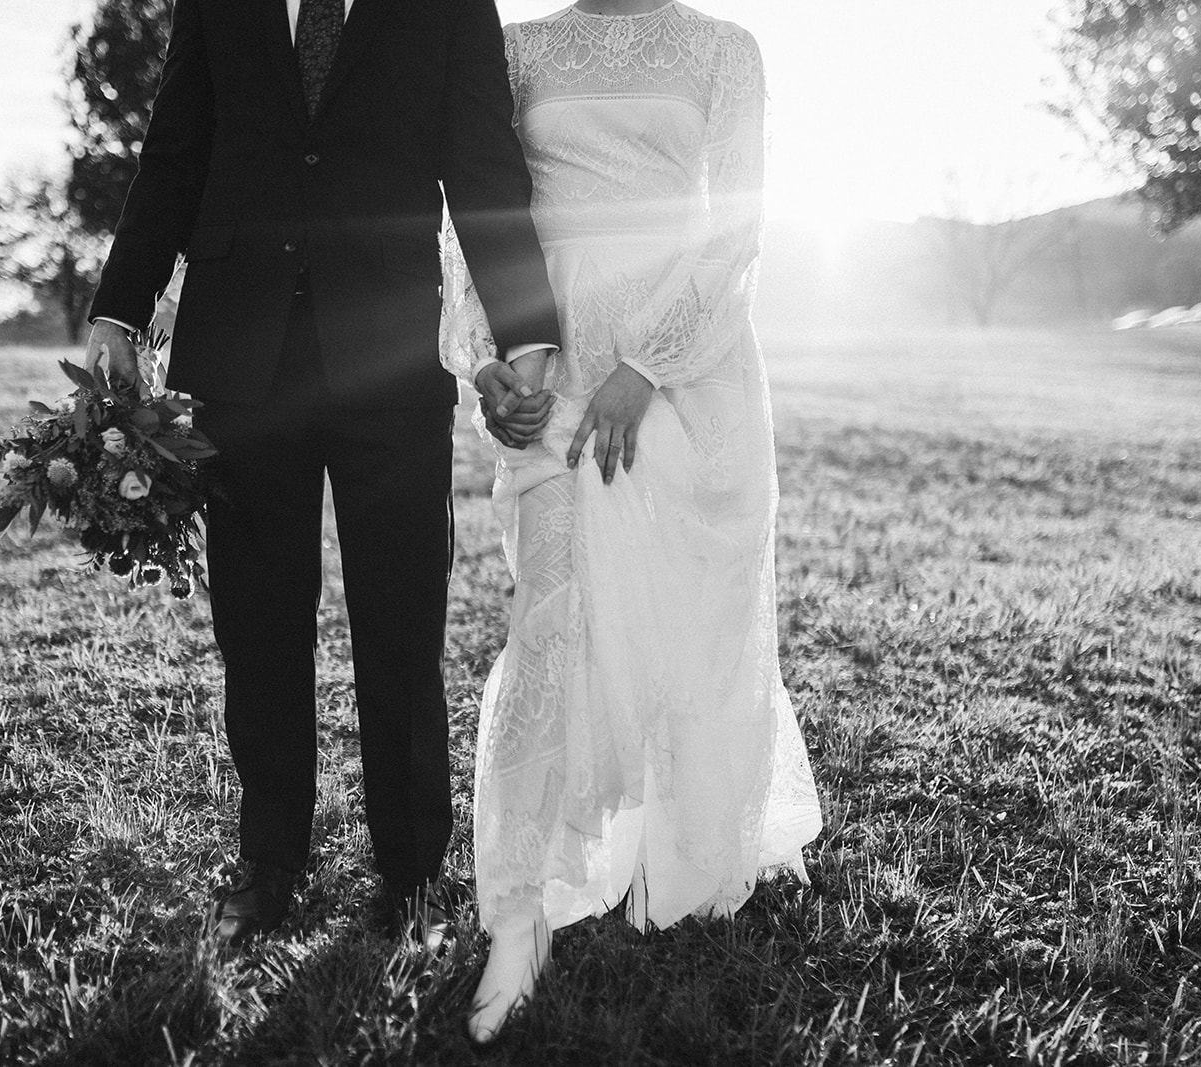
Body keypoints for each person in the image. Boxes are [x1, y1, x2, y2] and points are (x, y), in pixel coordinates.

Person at [83, 0, 563, 951]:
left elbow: (482, 163)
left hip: (389, 348)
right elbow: (175, 148)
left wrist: (526, 329)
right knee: (258, 620)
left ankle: (414, 870)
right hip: (238, 349)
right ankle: (269, 862)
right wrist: (119, 309)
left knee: (401, 612)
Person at [439, 0, 824, 1043]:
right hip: (550, 349)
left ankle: (682, 850)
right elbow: (475, 212)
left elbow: (736, 220)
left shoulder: (720, 50)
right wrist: (487, 353)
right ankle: (534, 879)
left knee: (682, 618)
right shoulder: (517, 49)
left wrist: (648, 363)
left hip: (682, 361)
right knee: (557, 611)